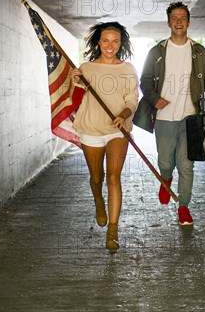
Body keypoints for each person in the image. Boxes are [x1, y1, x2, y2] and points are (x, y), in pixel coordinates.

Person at [138, 2, 205, 225]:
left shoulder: (200, 52)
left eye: (183, 17)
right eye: (175, 18)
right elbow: (144, 81)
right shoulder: (156, 52)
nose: (179, 21)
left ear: (189, 22)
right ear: (168, 22)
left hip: (190, 118)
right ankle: (166, 179)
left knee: (186, 164)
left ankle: (183, 207)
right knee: (165, 162)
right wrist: (155, 99)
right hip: (164, 118)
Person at [71, 22, 138, 250]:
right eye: (106, 40)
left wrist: (123, 114)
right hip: (90, 128)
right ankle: (98, 202)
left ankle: (113, 231)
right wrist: (76, 80)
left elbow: (132, 100)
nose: (110, 45)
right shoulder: (86, 68)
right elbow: (77, 95)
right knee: (97, 177)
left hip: (118, 130)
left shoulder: (128, 69)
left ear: (121, 43)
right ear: (98, 42)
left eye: (115, 41)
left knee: (113, 178)